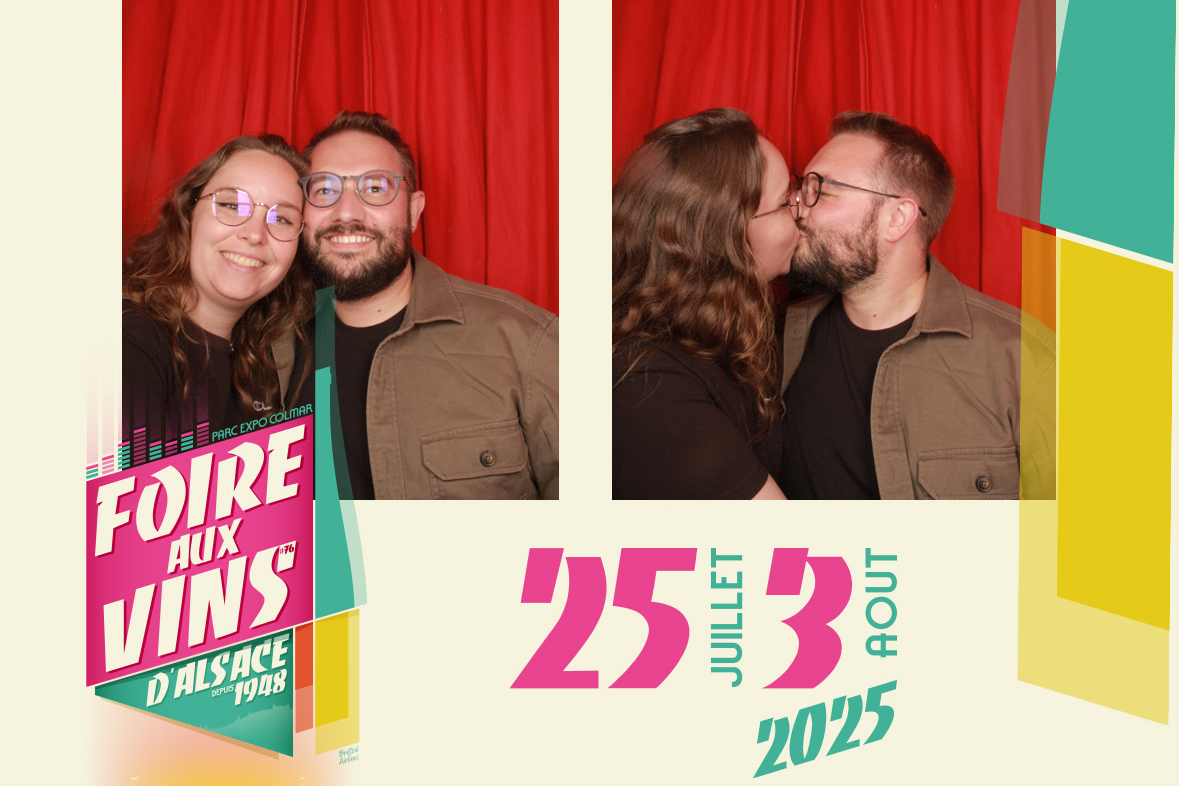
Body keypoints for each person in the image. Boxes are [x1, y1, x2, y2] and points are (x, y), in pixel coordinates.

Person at [782, 111, 1055, 500]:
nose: (796, 208)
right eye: (800, 190)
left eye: (819, 190)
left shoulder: (1029, 363)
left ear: (897, 218)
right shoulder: (774, 339)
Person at [297, 110, 558, 500]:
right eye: (323, 190)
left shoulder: (526, 344)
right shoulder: (267, 350)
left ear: (414, 211)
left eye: (376, 187)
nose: (346, 212)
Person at [612, 108, 798, 500]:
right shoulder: (648, 388)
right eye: (786, 202)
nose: (802, 211)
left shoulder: (730, 325)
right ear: (725, 236)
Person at [122, 134, 313, 460]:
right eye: (231, 205)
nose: (254, 234)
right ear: (189, 212)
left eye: (281, 219)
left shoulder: (265, 362)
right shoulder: (130, 342)